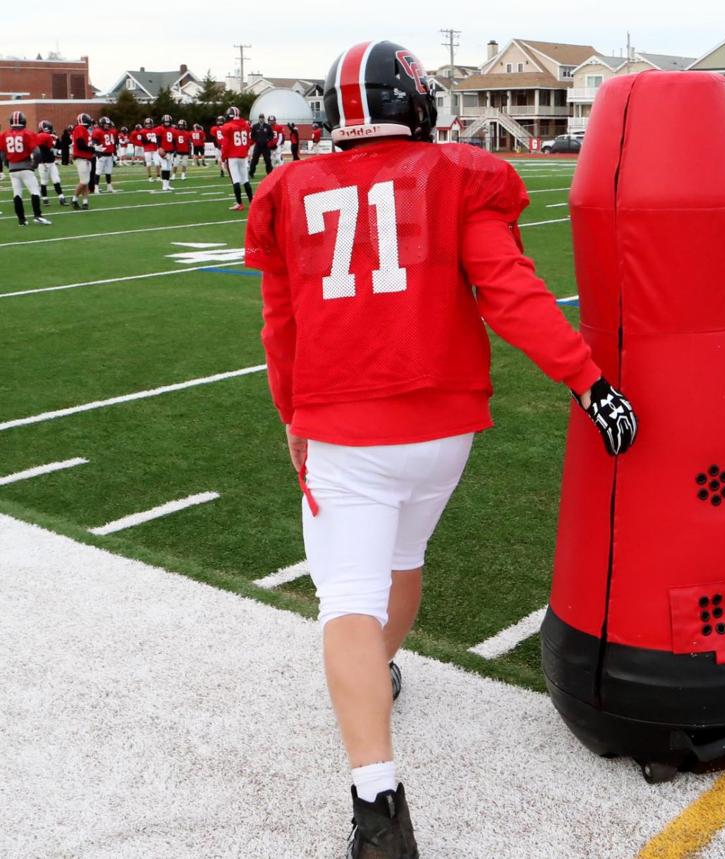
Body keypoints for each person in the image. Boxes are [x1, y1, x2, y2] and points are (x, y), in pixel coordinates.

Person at [244, 40, 637, 859]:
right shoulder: (459, 173)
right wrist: (586, 379)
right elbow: (510, 291)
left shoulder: (288, 190)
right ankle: (381, 671)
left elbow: (280, 326)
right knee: (404, 554)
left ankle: (377, 799)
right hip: (442, 427)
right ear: (414, 100)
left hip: (347, 427)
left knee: (347, 596)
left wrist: (291, 414)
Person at [3, 111, 51, 225]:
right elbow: (37, 153)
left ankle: (21, 220)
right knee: (35, 192)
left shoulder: (4, 134)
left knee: (17, 193)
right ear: (24, 121)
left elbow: (1, 154)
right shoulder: (28, 133)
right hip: (25, 167)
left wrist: (7, 164)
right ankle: (37, 216)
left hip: (12, 169)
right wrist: (34, 164)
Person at [219, 106, 253, 210]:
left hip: (232, 157)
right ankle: (252, 202)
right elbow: (248, 142)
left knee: (236, 180)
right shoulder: (246, 125)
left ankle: (239, 204)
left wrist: (223, 158)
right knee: (245, 180)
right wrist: (245, 151)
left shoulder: (227, 126)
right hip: (243, 156)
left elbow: (226, 144)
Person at [34, 120, 67, 206]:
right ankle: (45, 198)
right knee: (44, 181)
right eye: (47, 128)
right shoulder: (40, 136)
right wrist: (53, 139)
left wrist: (56, 139)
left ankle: (61, 198)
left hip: (51, 162)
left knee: (56, 180)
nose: (49, 130)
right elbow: (46, 146)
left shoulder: (50, 136)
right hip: (43, 163)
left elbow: (60, 146)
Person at [70, 113, 95, 209]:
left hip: (86, 158)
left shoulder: (83, 129)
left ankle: (85, 202)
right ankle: (74, 199)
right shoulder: (79, 128)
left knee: (86, 182)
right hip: (81, 158)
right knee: (84, 181)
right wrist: (92, 149)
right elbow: (80, 144)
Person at [91, 116, 118, 193]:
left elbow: (113, 143)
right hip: (101, 154)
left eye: (108, 124)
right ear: (101, 124)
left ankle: (109, 187)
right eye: (105, 124)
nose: (107, 125)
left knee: (108, 171)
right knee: (98, 171)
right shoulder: (97, 131)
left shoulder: (111, 131)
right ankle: (96, 187)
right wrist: (97, 152)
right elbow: (94, 142)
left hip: (109, 154)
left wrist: (114, 152)